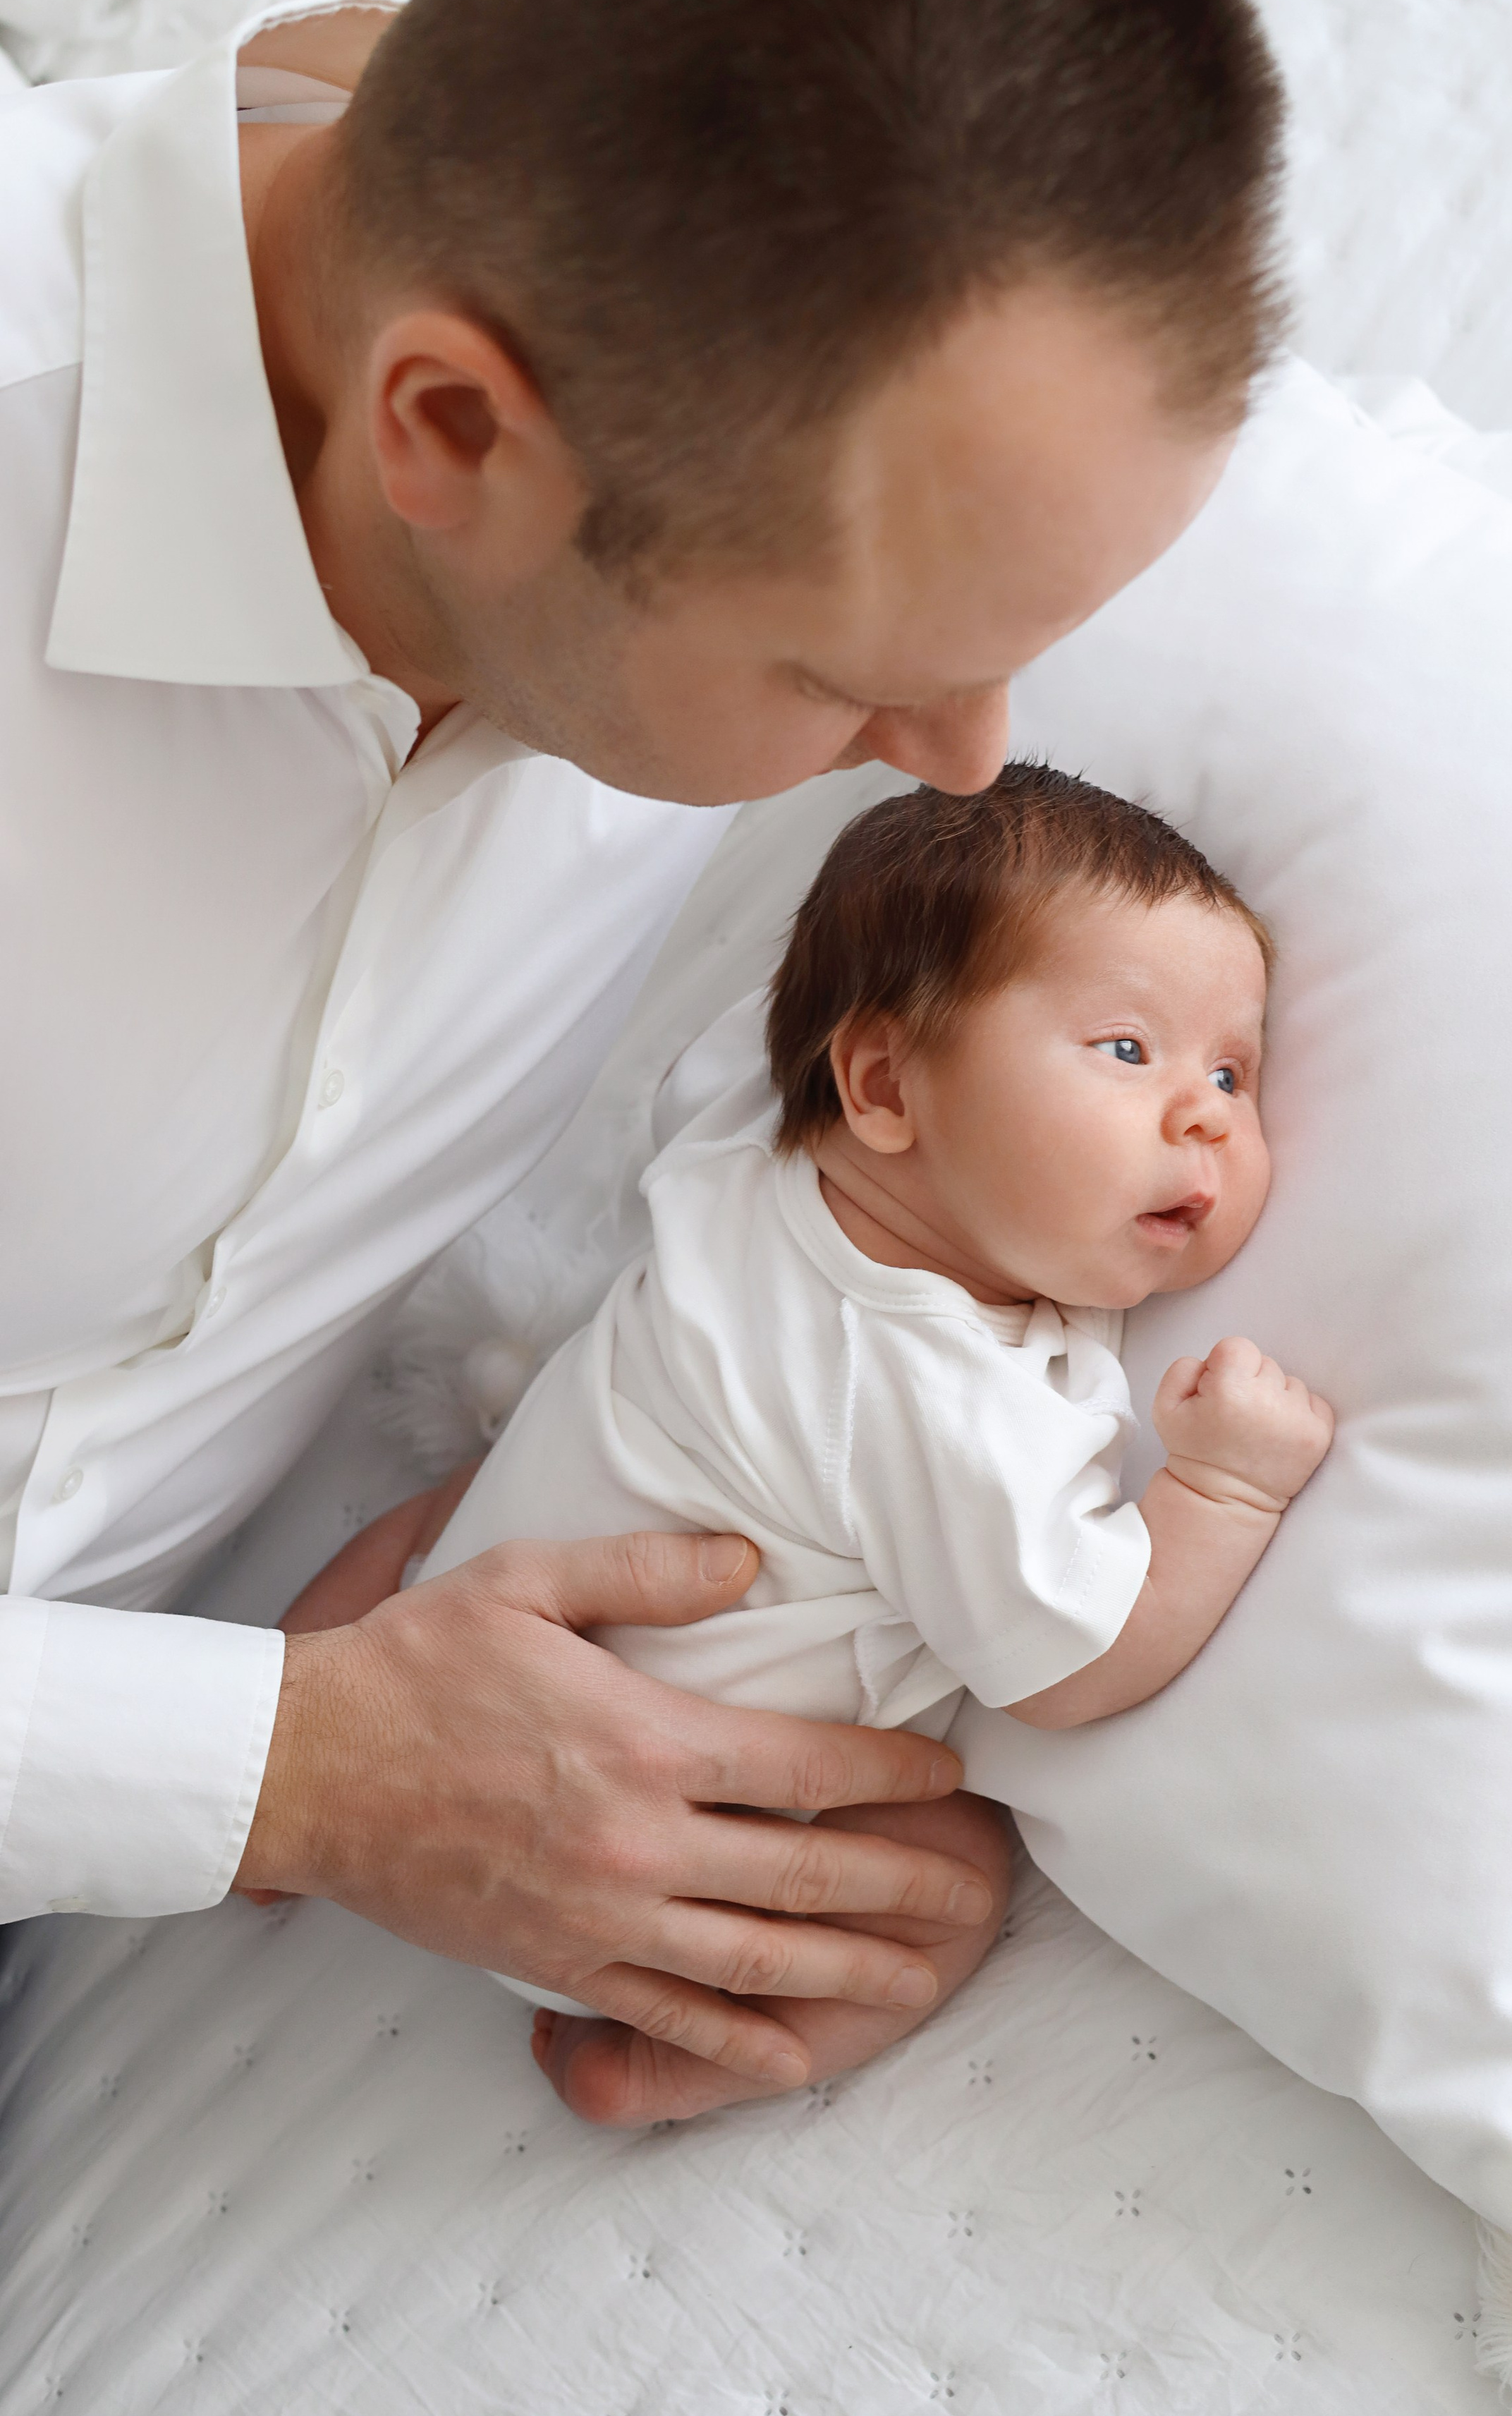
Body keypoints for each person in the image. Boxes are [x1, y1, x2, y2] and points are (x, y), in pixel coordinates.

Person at [0, 0, 1512, 2123]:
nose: (960, 757)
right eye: (854, 679)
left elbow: (1017, 410)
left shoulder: (572, 254)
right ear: (450, 436)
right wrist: (296, 1770)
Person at [279, 764, 1334, 2121]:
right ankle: (648, 2064)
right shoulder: (936, 1400)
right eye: (1128, 1052)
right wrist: (1228, 1486)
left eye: (1234, 1072)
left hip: (435, 1638)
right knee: (952, 1874)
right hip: (643, 1875)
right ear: (883, 1083)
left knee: (450, 1504)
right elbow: (1077, 1669)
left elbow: (749, 1035)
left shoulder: (742, 1137)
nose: (1207, 1114)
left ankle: (285, 1724)